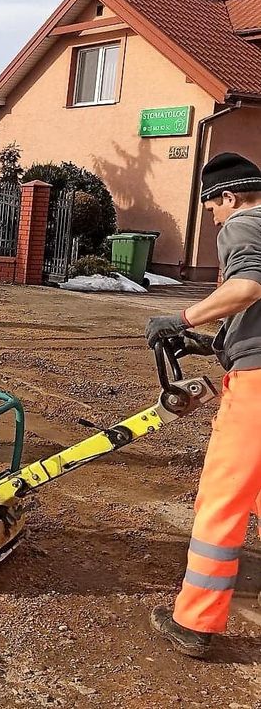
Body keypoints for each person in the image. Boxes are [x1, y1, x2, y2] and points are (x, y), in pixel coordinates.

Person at [144, 151, 261, 658]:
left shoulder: (243, 224)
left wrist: (183, 320)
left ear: (228, 197)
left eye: (212, 206)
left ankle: (194, 622)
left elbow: (248, 287)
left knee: (222, 500)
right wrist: (212, 344)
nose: (213, 216)